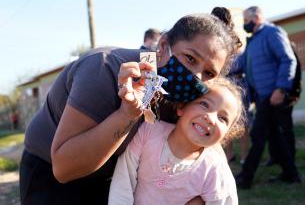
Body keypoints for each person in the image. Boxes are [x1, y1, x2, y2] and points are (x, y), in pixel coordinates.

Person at [19, 13, 241, 205]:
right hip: (51, 176)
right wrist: (127, 113)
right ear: (163, 46)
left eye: (209, 74)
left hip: (117, 178)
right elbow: (64, 169)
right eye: (190, 58)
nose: (196, 77)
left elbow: (204, 139)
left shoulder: (187, 97)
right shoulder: (104, 68)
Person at [109, 77, 245, 205]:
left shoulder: (215, 169)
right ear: (182, 107)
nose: (211, 118)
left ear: (226, 134)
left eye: (223, 118)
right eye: (204, 104)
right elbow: (123, 182)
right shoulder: (149, 131)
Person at [235, 6, 301, 189]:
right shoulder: (253, 40)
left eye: (246, 19)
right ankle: (291, 174)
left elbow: (288, 60)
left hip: (272, 95)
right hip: (261, 96)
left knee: (258, 134)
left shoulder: (272, 32)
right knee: (274, 136)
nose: (244, 23)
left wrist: (281, 88)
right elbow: (241, 64)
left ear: (256, 18)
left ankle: (245, 177)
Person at [211, 7, 250, 165]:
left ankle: (243, 156)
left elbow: (240, 62)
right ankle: (232, 155)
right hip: (222, 83)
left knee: (240, 122)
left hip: (235, 84)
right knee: (223, 120)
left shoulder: (234, 39)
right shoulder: (212, 37)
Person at [267, 42, 302, 166]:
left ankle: (290, 158)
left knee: (286, 129)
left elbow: (296, 77)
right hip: (271, 97)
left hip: (286, 97)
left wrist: (294, 94)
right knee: (272, 128)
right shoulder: (275, 58)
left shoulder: (290, 57)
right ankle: (274, 157)